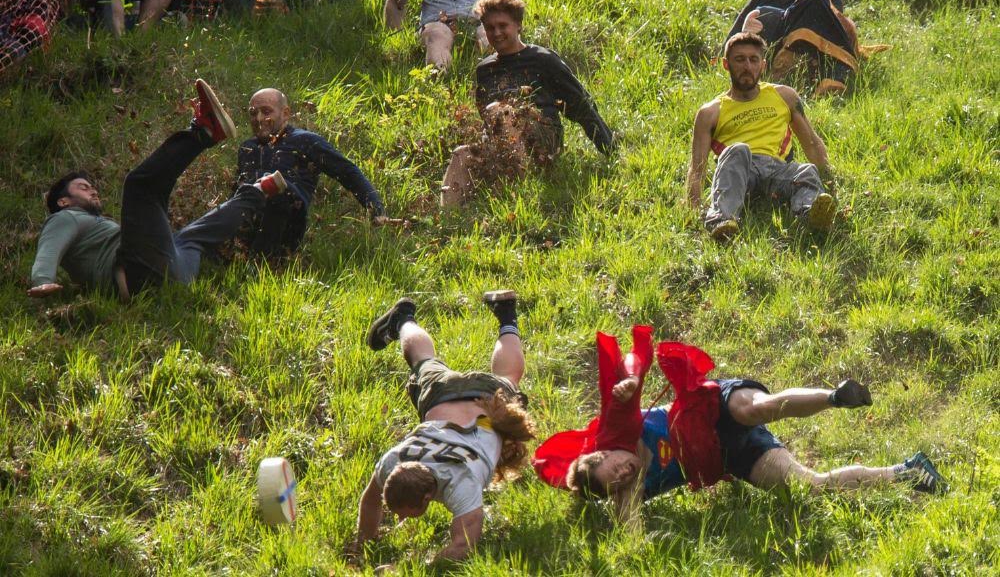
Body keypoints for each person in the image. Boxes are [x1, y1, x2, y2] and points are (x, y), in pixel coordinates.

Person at [533, 332, 948, 527]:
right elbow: (632, 540)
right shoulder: (628, 492)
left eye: (617, 469)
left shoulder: (617, 431)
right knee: (811, 485)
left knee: (757, 409)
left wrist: (630, 378)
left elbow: (629, 364)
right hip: (729, 456)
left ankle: (836, 397)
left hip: (712, 408)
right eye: (618, 482)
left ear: (603, 454)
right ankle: (910, 472)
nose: (625, 473)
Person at [27, 80, 289, 301]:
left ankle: (256, 193)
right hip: (138, 276)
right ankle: (205, 132)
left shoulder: (93, 227)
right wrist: (42, 279)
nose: (93, 191)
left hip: (169, 278)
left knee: (191, 237)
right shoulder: (63, 218)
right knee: (139, 186)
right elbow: (50, 246)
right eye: (83, 188)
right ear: (63, 201)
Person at [349, 290, 535, 564]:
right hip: (445, 396)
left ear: (428, 497)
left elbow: (462, 547)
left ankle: (506, 310)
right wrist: (363, 542)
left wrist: (412, 568)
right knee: (422, 361)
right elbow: (373, 500)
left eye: (404, 512)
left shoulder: (463, 484)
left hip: (483, 408)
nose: (400, 518)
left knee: (507, 378)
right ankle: (405, 320)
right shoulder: (392, 460)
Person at [440, 0, 615, 207]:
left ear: (518, 26)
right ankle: (449, 216)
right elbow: (484, 116)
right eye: (490, 27)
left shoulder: (542, 59)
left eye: (503, 26)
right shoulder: (485, 70)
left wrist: (610, 149)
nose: (496, 32)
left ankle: (522, 195)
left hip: (542, 143)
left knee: (500, 112)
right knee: (462, 154)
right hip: (499, 147)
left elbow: (581, 104)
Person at [687, 31, 836, 241]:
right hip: (740, 172)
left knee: (806, 170)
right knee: (738, 149)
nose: (747, 66)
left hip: (778, 170)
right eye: (739, 59)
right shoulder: (710, 112)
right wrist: (692, 209)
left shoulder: (784, 96)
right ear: (726, 64)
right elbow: (697, 167)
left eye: (753, 59)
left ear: (763, 65)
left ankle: (810, 214)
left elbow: (811, 142)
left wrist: (829, 179)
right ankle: (721, 221)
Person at [234, 87, 387, 258]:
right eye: (253, 113)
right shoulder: (247, 148)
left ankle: (259, 262)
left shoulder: (305, 141)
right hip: (246, 224)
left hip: (286, 225)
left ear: (285, 113)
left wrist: (376, 209)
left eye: (266, 111)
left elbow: (347, 172)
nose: (259, 118)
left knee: (277, 186)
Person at [728, 0, 887, 96]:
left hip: (807, 66)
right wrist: (746, 30)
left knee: (818, 1)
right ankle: (837, 77)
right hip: (765, 54)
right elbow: (732, 39)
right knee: (810, 0)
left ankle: (828, 81)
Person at [383, 0, 513, 72]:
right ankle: (439, 82)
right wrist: (397, 43)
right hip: (436, 21)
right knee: (438, 34)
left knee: (487, 35)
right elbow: (395, 2)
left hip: (479, 20)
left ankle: (497, 81)